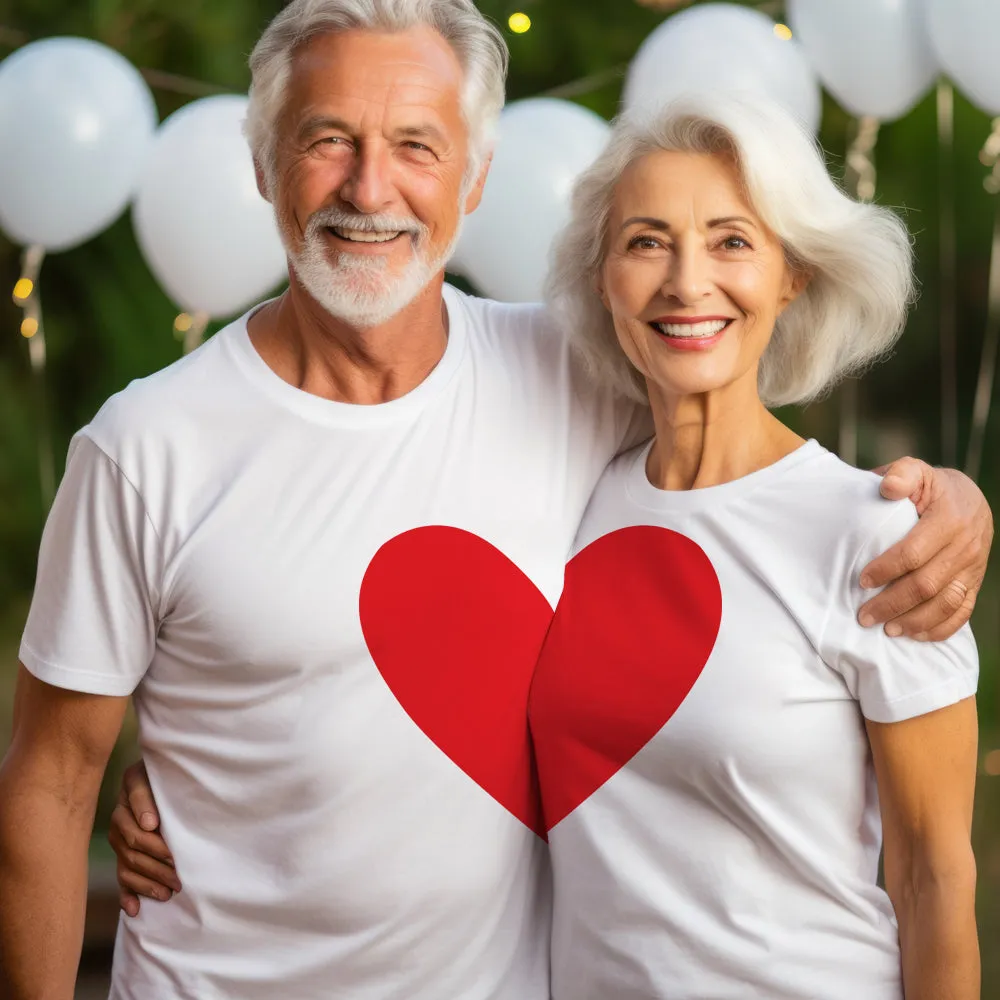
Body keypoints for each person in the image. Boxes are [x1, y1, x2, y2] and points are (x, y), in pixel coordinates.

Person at [0, 1, 988, 998]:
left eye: (416, 145)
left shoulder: (564, 381)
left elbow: (744, 456)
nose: (369, 186)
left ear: (476, 179)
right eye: (326, 139)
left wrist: (955, 504)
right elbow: (46, 781)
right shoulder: (143, 445)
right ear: (261, 162)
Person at [527, 96, 980, 1000]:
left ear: (791, 275)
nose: (687, 283)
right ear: (603, 276)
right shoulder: (562, 500)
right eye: (647, 242)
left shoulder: (880, 534)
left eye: (732, 241)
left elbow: (934, 881)